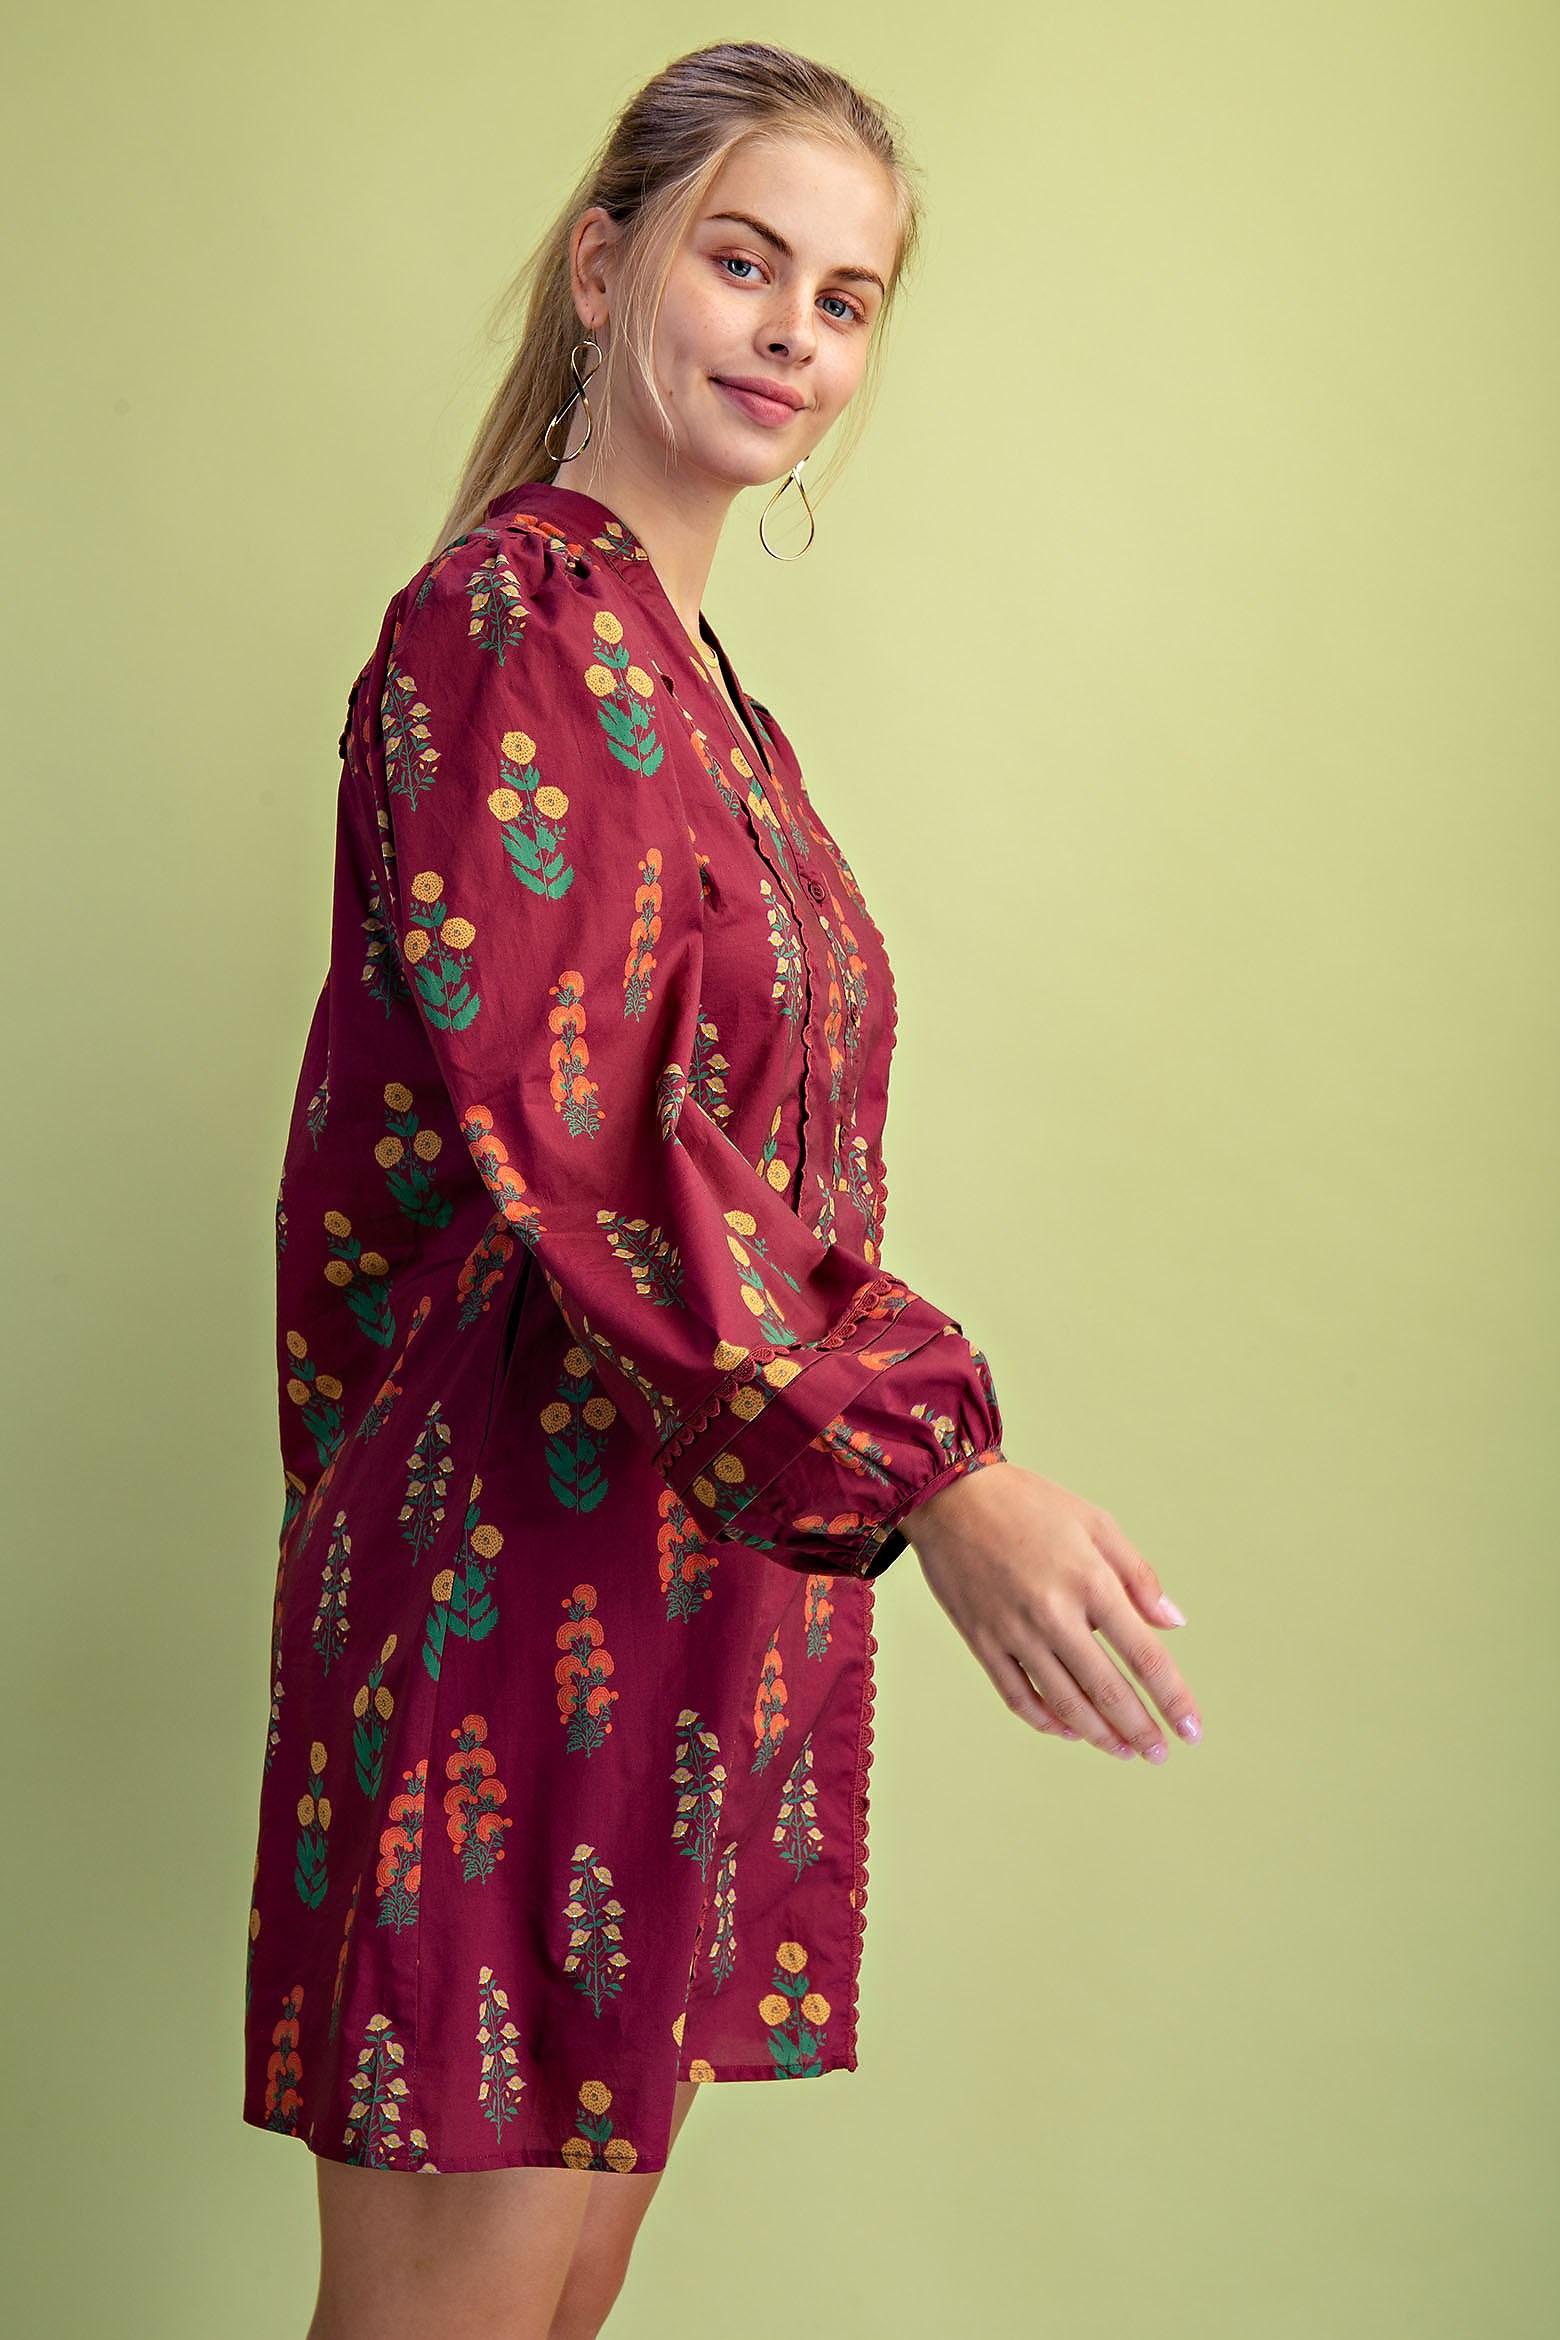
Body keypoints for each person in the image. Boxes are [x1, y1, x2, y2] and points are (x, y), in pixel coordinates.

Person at [242, 39, 1203, 2340]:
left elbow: (764, 1170)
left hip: (689, 1599)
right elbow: (586, 1146)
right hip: (505, 1600)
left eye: (845, 300)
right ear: (605, 270)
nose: (793, 333)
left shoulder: (710, 704)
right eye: (744, 263)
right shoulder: (506, 627)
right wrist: (940, 1473)